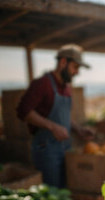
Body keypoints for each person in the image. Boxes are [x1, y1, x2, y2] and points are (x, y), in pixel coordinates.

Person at [17, 44, 94, 188]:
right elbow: (23, 111)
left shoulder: (66, 88)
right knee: (52, 193)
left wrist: (79, 129)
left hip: (66, 147)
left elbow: (63, 118)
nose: (77, 72)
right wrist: (52, 127)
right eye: (75, 67)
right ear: (63, 62)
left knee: (66, 190)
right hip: (46, 149)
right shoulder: (42, 83)